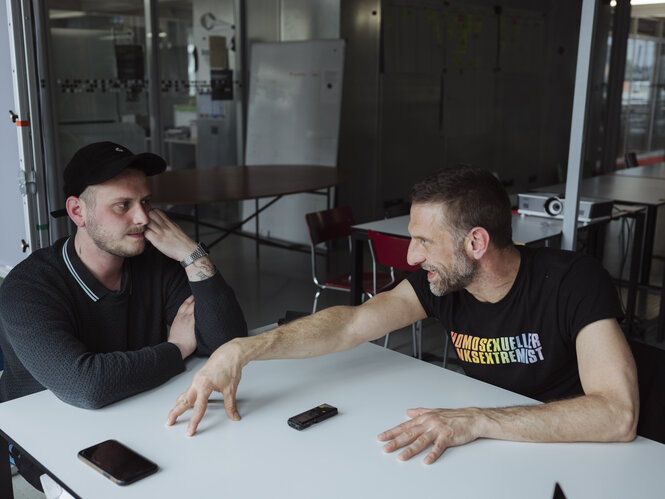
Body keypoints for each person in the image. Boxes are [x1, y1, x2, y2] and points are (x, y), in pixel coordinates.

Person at [165, 165, 638, 465]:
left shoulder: (572, 281)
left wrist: (476, 421)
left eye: (424, 241)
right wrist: (245, 348)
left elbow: (617, 415)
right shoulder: (443, 283)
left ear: (475, 243)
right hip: (479, 452)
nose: (411, 257)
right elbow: (350, 324)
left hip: (568, 453)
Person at [0, 141, 247, 488]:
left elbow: (227, 344)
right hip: (50, 441)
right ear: (77, 212)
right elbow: (86, 385)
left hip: (138, 410)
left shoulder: (154, 260)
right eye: (123, 206)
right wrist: (176, 348)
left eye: (145, 202)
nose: (143, 218)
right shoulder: (28, 287)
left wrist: (193, 255)